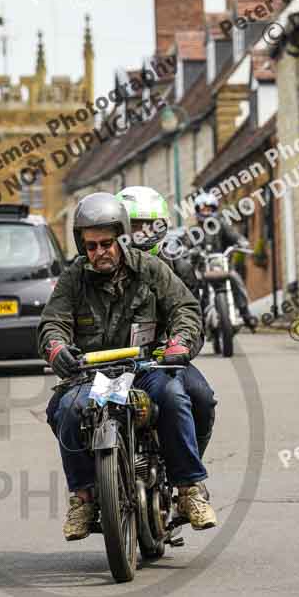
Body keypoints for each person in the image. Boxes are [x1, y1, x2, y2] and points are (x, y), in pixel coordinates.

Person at [38, 192, 217, 541]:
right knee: (67, 411)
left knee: (175, 396)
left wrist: (179, 341)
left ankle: (188, 490)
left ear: (120, 238)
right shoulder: (73, 278)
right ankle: (83, 499)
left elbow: (184, 308)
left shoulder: (151, 268)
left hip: (148, 366)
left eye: (106, 243)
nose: (99, 252)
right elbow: (52, 322)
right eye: (91, 246)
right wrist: (56, 347)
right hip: (94, 373)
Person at [116, 185, 216, 458]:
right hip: (111, 363)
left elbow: (194, 322)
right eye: (134, 226)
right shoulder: (103, 266)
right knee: (78, 410)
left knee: (203, 399)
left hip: (163, 362)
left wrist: (180, 348)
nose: (142, 233)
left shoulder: (179, 268)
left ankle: (188, 471)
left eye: (150, 226)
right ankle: (91, 480)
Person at [192, 193, 257, 329]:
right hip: (203, 268)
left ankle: (245, 312)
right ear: (198, 211)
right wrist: (189, 250)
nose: (206, 212)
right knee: (193, 285)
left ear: (214, 210)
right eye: (203, 209)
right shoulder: (194, 231)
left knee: (235, 278)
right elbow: (187, 243)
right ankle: (194, 319)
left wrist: (241, 242)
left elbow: (233, 235)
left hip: (222, 265)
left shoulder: (221, 225)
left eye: (209, 209)